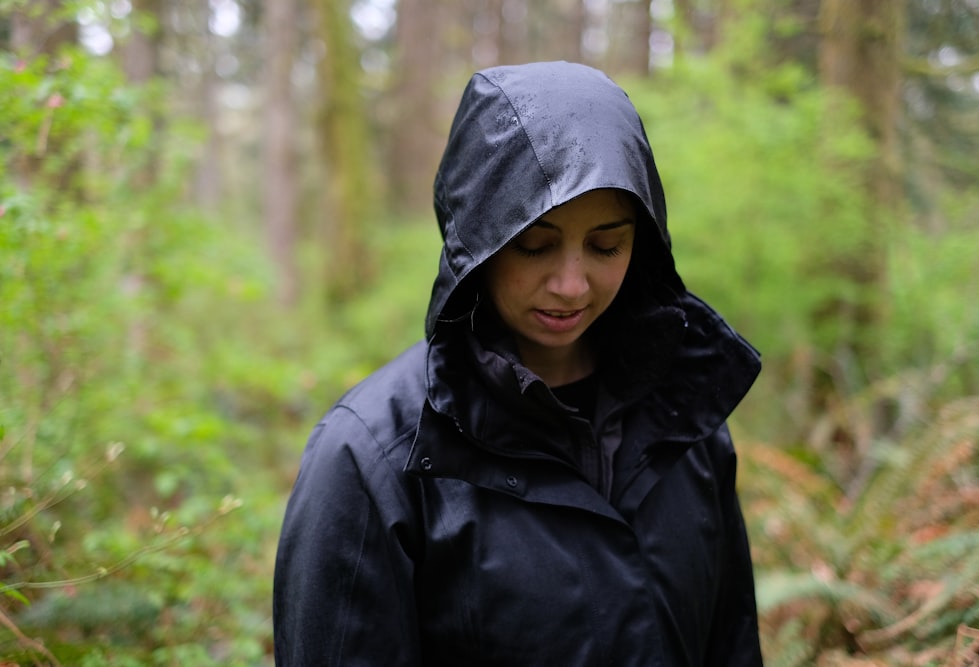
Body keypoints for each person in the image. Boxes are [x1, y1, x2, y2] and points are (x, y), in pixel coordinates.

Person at [273, 61, 764, 666]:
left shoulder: (687, 416)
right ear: (476, 235)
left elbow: (732, 644)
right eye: (535, 244)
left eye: (607, 244)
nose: (571, 284)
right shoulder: (372, 457)